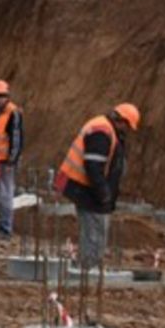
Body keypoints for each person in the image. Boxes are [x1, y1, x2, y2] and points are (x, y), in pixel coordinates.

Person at [54, 103, 140, 271]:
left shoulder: (107, 129)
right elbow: (93, 167)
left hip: (87, 188)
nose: (127, 130)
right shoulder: (102, 131)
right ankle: (88, 270)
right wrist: (103, 194)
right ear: (120, 120)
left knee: (94, 232)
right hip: (85, 189)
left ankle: (88, 268)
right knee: (94, 233)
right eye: (127, 125)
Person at [0, 80, 24, 237]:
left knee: (5, 193)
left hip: (5, 161)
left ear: (7, 96)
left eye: (1, 96)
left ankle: (5, 228)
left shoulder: (13, 113)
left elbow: (17, 138)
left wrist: (12, 159)